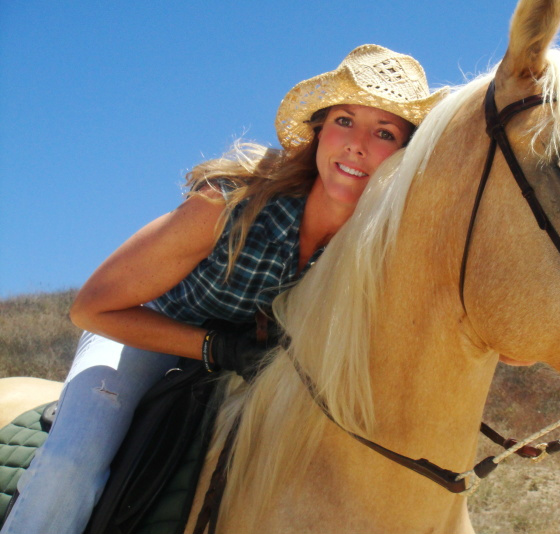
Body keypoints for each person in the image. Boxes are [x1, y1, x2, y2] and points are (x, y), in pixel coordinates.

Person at [1, 44, 447, 534]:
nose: (357, 144)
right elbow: (92, 310)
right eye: (345, 120)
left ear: (402, 158)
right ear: (319, 132)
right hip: (144, 339)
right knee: (72, 463)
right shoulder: (230, 204)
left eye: (384, 133)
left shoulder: (378, 254)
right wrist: (215, 346)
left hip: (259, 372)